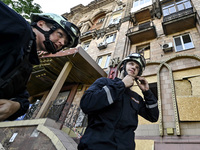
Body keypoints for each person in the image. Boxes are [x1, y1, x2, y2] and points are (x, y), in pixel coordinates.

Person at [0, 1, 80, 121]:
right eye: (60, 34)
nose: (62, 43)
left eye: (65, 43)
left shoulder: (28, 63)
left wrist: (15, 106)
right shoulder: (20, 28)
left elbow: (23, 99)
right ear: (41, 24)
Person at [78, 53, 159, 150]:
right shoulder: (104, 82)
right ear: (122, 66)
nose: (134, 67)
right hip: (95, 146)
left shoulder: (136, 98)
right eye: (131, 64)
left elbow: (153, 117)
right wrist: (121, 85)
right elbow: (86, 103)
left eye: (137, 67)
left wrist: (147, 92)